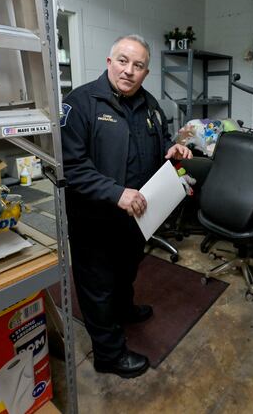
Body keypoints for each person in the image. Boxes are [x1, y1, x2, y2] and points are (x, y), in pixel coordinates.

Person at [60, 34, 192, 378]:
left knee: (126, 270)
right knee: (97, 284)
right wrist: (115, 192)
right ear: (108, 62)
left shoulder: (149, 105)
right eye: (123, 61)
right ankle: (109, 355)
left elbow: (162, 141)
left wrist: (173, 151)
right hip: (95, 218)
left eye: (138, 65)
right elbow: (71, 167)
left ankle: (123, 309)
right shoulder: (81, 103)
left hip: (136, 217)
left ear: (146, 72)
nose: (129, 70)